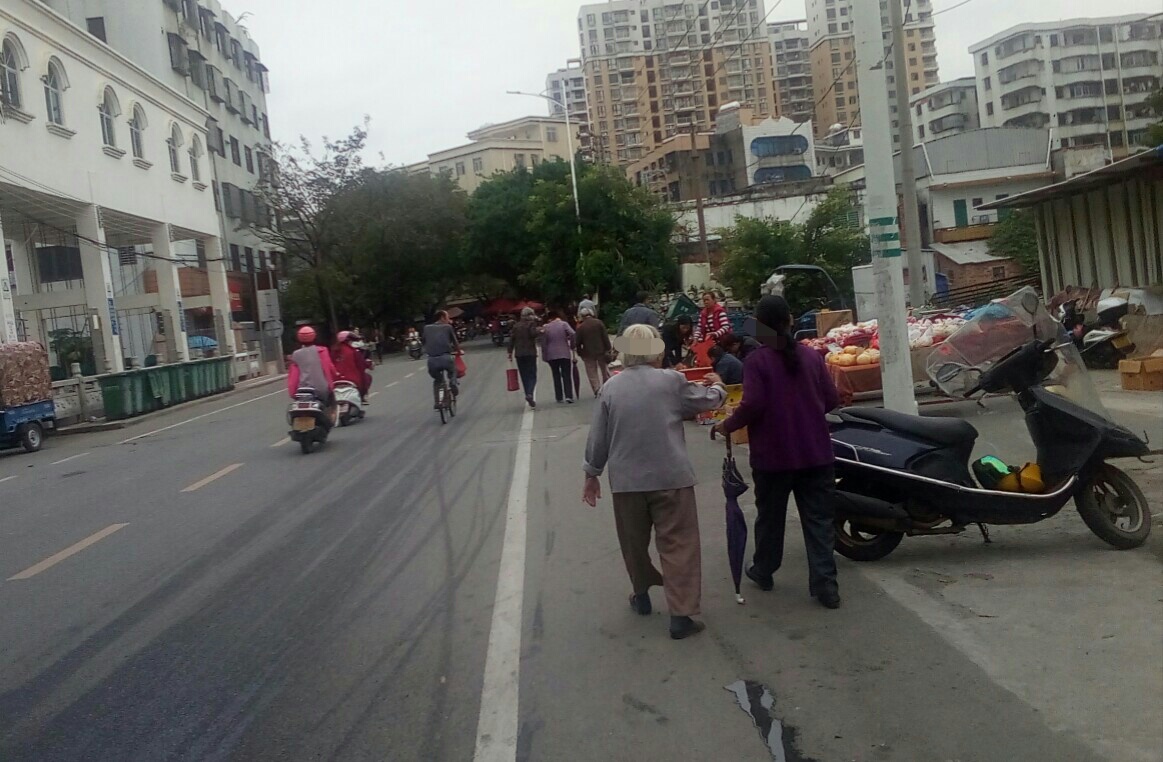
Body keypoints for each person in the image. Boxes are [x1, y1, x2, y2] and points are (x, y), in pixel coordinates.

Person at [583, 324, 727, 640]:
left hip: (627, 483)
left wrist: (591, 474)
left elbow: (598, 438)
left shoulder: (610, 388)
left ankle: (642, 594)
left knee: (633, 544)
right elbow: (707, 401)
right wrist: (718, 386)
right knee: (679, 544)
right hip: (671, 478)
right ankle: (681, 615)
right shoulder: (671, 381)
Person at [713, 295, 843, 610]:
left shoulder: (757, 361)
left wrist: (727, 425)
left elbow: (752, 405)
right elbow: (831, 399)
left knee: (770, 519)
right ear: (790, 320)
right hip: (815, 453)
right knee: (819, 521)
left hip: (773, 458)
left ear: (760, 326)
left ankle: (764, 570)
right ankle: (826, 586)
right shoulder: (812, 356)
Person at [287, 325, 337, 425]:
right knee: (331, 402)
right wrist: (335, 376)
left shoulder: (296, 354)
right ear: (314, 336)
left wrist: (293, 393)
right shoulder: (322, 351)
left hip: (302, 391)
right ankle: (330, 419)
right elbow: (330, 368)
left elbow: (294, 376)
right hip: (321, 390)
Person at [423, 311, 460, 409]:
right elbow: (455, 342)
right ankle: (453, 382)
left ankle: (438, 402)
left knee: (438, 380)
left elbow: (424, 341)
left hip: (432, 360)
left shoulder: (426, 328)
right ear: (442, 317)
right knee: (453, 371)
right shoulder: (448, 327)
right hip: (446, 358)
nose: (449, 320)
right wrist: (459, 351)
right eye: (448, 317)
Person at [574, 306, 612, 396]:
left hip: (588, 353)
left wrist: (580, 353)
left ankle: (596, 388)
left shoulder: (581, 327)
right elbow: (605, 337)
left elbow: (577, 342)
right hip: (601, 350)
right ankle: (607, 386)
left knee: (591, 372)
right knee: (604, 370)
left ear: (582, 316)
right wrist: (608, 348)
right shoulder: (599, 323)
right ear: (591, 314)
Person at [508, 307, 541, 408]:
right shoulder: (531, 324)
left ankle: (528, 394)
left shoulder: (516, 326)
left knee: (524, 376)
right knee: (532, 375)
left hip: (519, 354)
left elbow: (512, 339)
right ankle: (530, 393)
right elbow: (533, 334)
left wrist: (509, 352)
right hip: (530, 353)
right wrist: (540, 330)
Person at [541, 310, 577, 404]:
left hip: (551, 354)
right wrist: (572, 345)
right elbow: (572, 333)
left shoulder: (546, 327)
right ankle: (568, 395)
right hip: (564, 353)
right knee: (566, 375)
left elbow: (544, 343)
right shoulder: (564, 324)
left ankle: (559, 397)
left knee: (556, 375)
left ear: (549, 318)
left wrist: (544, 355)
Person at [331, 330, 371, 403]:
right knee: (367, 377)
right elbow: (361, 365)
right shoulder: (353, 352)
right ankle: (362, 397)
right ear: (348, 341)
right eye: (351, 341)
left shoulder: (332, 351)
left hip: (335, 380)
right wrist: (369, 364)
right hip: (352, 380)